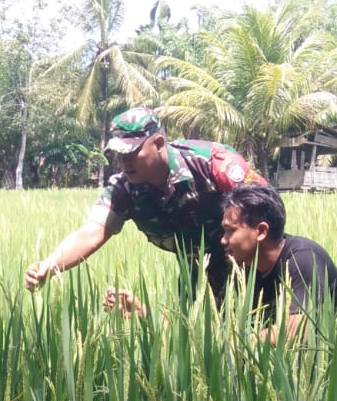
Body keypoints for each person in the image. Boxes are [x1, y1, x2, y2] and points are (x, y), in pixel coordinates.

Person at [23, 108, 265, 304]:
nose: (124, 162)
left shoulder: (210, 162)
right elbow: (91, 232)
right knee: (187, 342)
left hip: (251, 264)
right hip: (194, 268)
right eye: (119, 155)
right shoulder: (124, 189)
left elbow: (266, 209)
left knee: (254, 334)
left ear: (158, 143)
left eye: (131, 153)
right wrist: (49, 265)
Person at [219, 183, 337, 340]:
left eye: (230, 231)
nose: (223, 240)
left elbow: (301, 328)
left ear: (261, 231)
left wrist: (242, 344)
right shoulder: (243, 269)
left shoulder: (303, 258)